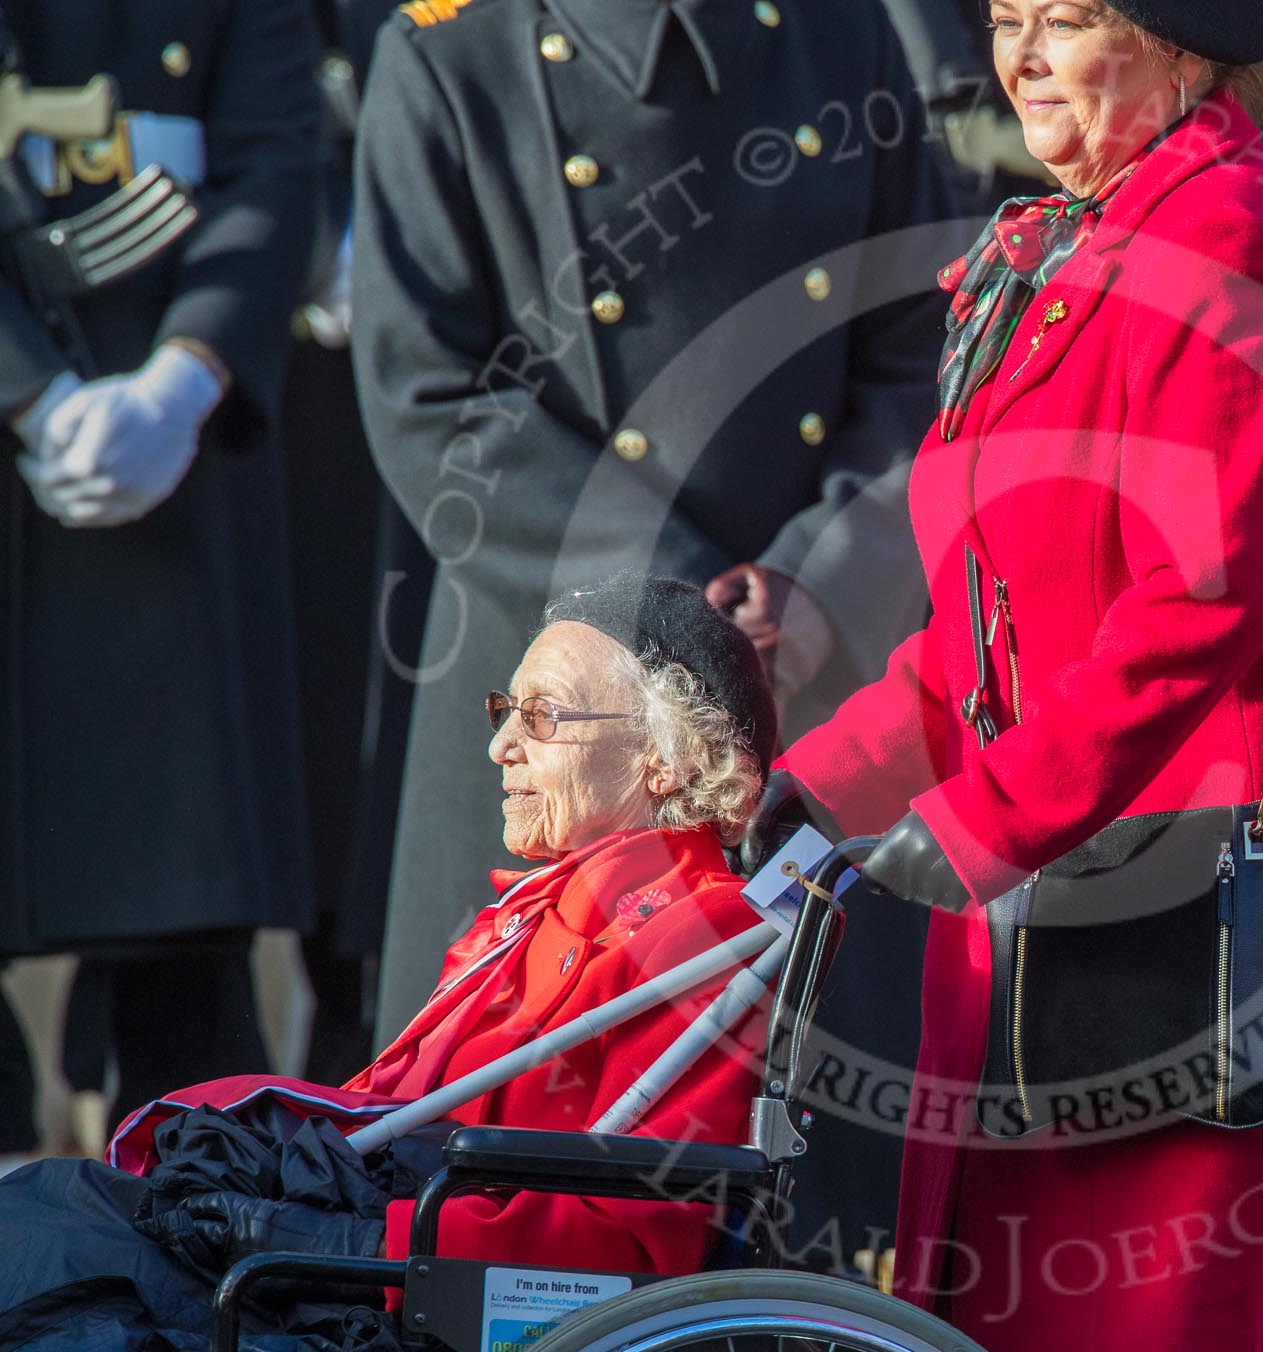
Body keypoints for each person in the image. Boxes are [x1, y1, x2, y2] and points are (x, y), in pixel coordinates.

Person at [747, 1, 1263, 1346]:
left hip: (1158, 930)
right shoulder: (1085, 241)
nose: (1021, 56)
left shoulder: (1231, 240)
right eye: (1006, 20)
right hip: (1030, 917)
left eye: (1069, 20)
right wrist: (816, 787)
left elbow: (1194, 618)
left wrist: (978, 822)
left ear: (1184, 48)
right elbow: (980, 633)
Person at [352, 0, 960, 1033]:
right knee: (504, 1138)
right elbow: (430, 394)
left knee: (822, 1134)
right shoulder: (452, 47)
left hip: (804, 678)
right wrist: (667, 616)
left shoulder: (841, 30)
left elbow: (917, 346)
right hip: (552, 682)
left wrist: (823, 575)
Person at [0, 574, 784, 1346]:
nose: (498, 745)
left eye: (540, 716)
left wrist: (350, 1242)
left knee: (48, 1242)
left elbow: (634, 1238)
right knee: (49, 1211)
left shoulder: (703, 932)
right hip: (386, 1268)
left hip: (428, 1292)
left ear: (666, 759)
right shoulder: (532, 917)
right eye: (505, 711)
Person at [0, 0, 323, 1155]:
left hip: (177, 472)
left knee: (192, 970)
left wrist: (190, 377)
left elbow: (277, 156)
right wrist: (29, 389)